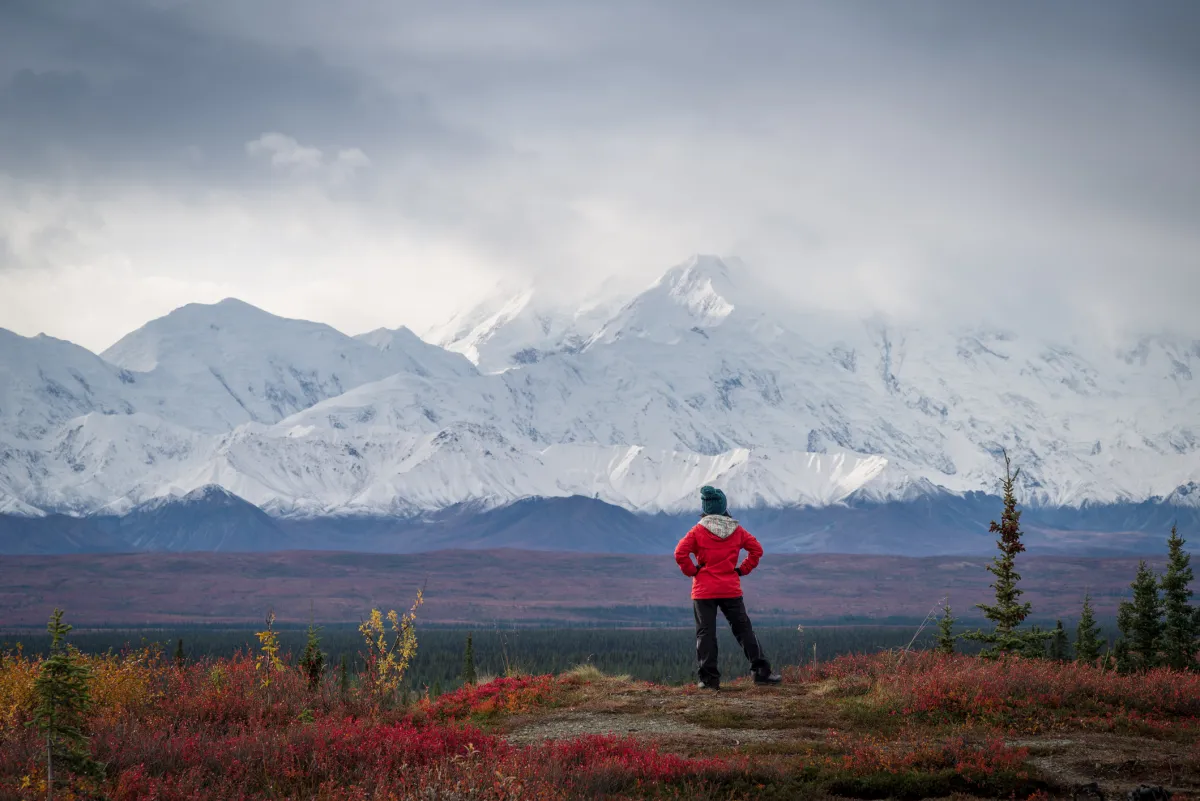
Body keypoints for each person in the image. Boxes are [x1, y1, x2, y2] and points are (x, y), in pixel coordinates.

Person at [674, 485, 782, 690]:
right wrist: (742, 570)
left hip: (704, 590)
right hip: (730, 588)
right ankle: (762, 673)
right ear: (724, 507)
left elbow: (679, 553)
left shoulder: (697, 531)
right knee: (744, 630)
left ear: (705, 508)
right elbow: (756, 550)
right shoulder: (737, 530)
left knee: (705, 634)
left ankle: (709, 680)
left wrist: (693, 571)